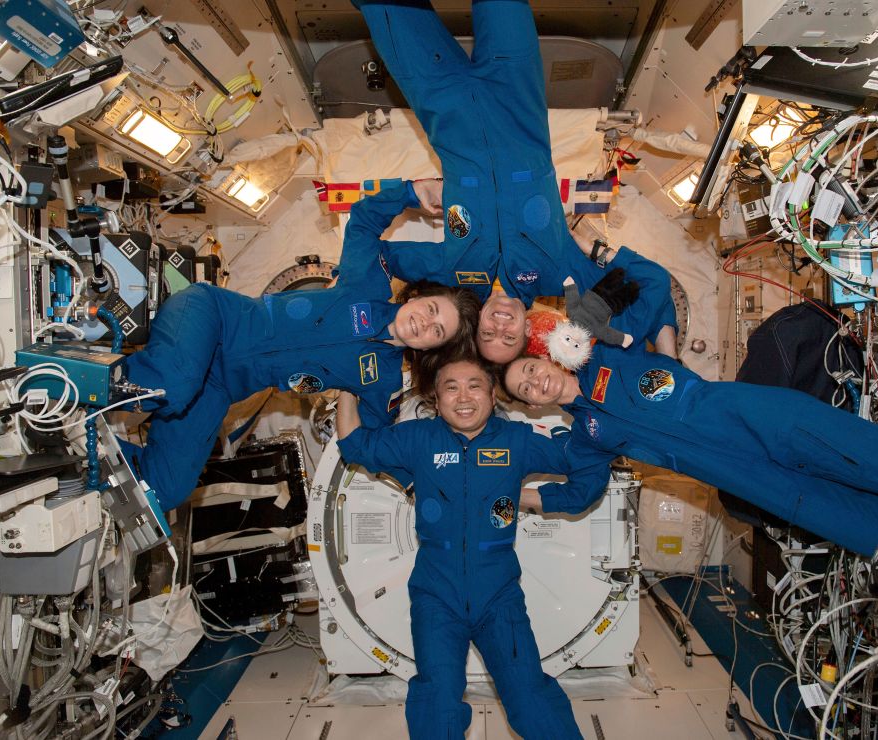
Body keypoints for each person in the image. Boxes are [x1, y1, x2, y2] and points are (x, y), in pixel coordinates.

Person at [351, 0, 678, 362]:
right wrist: (671, 363)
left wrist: (410, 193)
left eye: (488, 334)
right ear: (527, 329)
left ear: (475, 325)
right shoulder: (563, 275)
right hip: (516, 94)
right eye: (508, 338)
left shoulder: (450, 272)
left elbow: (371, 254)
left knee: (381, 5)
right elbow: (654, 289)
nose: (500, 327)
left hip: (442, 106)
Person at [122, 186, 481, 511]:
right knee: (173, 386)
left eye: (438, 331)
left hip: (216, 387)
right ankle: (77, 385)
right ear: (419, 296)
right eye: (432, 310)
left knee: (165, 490)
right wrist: (414, 191)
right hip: (216, 319)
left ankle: (80, 453)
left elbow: (364, 445)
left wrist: (417, 476)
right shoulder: (366, 284)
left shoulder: (382, 382)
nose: (425, 323)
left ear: (432, 348)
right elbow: (366, 218)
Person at [336, 358, 606, 739]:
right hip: (436, 595)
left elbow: (588, 468)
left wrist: (531, 497)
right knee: (436, 703)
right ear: (436, 397)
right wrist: (346, 386)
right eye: (451, 387)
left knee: (531, 700)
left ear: (493, 395)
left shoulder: (517, 441)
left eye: (474, 385)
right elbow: (355, 445)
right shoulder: (417, 439)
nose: (463, 397)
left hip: (498, 595)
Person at [501, 344, 878, 555]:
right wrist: (507, 491)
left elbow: (648, 288)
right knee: (870, 529)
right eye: (526, 389)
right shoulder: (587, 435)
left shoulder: (605, 349)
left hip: (766, 422)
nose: (536, 383)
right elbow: (579, 495)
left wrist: (668, 350)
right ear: (535, 406)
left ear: (548, 358)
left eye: (532, 369)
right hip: (751, 478)